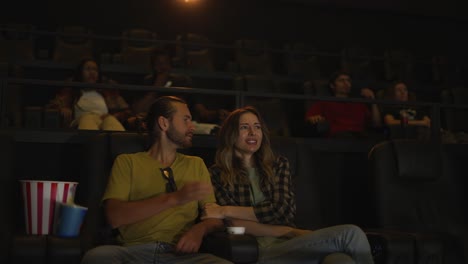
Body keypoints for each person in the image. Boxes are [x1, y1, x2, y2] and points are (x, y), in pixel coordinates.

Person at [203, 106, 375, 264]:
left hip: (294, 244)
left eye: (257, 127)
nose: (252, 132)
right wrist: (288, 231)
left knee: (340, 260)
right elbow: (235, 224)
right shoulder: (217, 174)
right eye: (244, 127)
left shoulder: (278, 165)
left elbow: (281, 209)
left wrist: (224, 209)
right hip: (259, 250)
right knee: (351, 234)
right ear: (230, 134)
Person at [81, 96, 231, 264]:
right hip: (133, 253)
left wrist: (199, 230)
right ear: (164, 123)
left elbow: (214, 217)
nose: (192, 126)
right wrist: (175, 198)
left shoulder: (196, 164)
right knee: (97, 257)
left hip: (180, 256)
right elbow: (115, 216)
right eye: (186, 120)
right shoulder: (128, 162)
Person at [131, 49, 230, 126]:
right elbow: (138, 110)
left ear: (170, 65)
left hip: (182, 125)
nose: (162, 67)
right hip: (156, 126)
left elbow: (202, 112)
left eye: (165, 63)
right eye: (158, 63)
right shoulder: (147, 82)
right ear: (153, 66)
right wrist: (157, 86)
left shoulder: (183, 82)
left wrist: (217, 113)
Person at [46, 58, 126, 131]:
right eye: (88, 69)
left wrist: (116, 115)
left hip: (103, 121)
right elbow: (53, 104)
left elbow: (126, 110)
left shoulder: (107, 93)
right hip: (81, 121)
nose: (92, 72)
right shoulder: (72, 91)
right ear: (81, 73)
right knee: (88, 118)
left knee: (110, 120)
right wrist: (63, 108)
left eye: (95, 69)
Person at [305, 71, 381, 138]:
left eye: (348, 80)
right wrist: (314, 118)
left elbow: (376, 123)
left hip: (361, 136)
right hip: (339, 137)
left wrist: (373, 101)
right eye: (341, 80)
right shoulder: (324, 102)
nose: (346, 83)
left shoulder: (358, 103)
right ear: (332, 85)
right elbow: (311, 118)